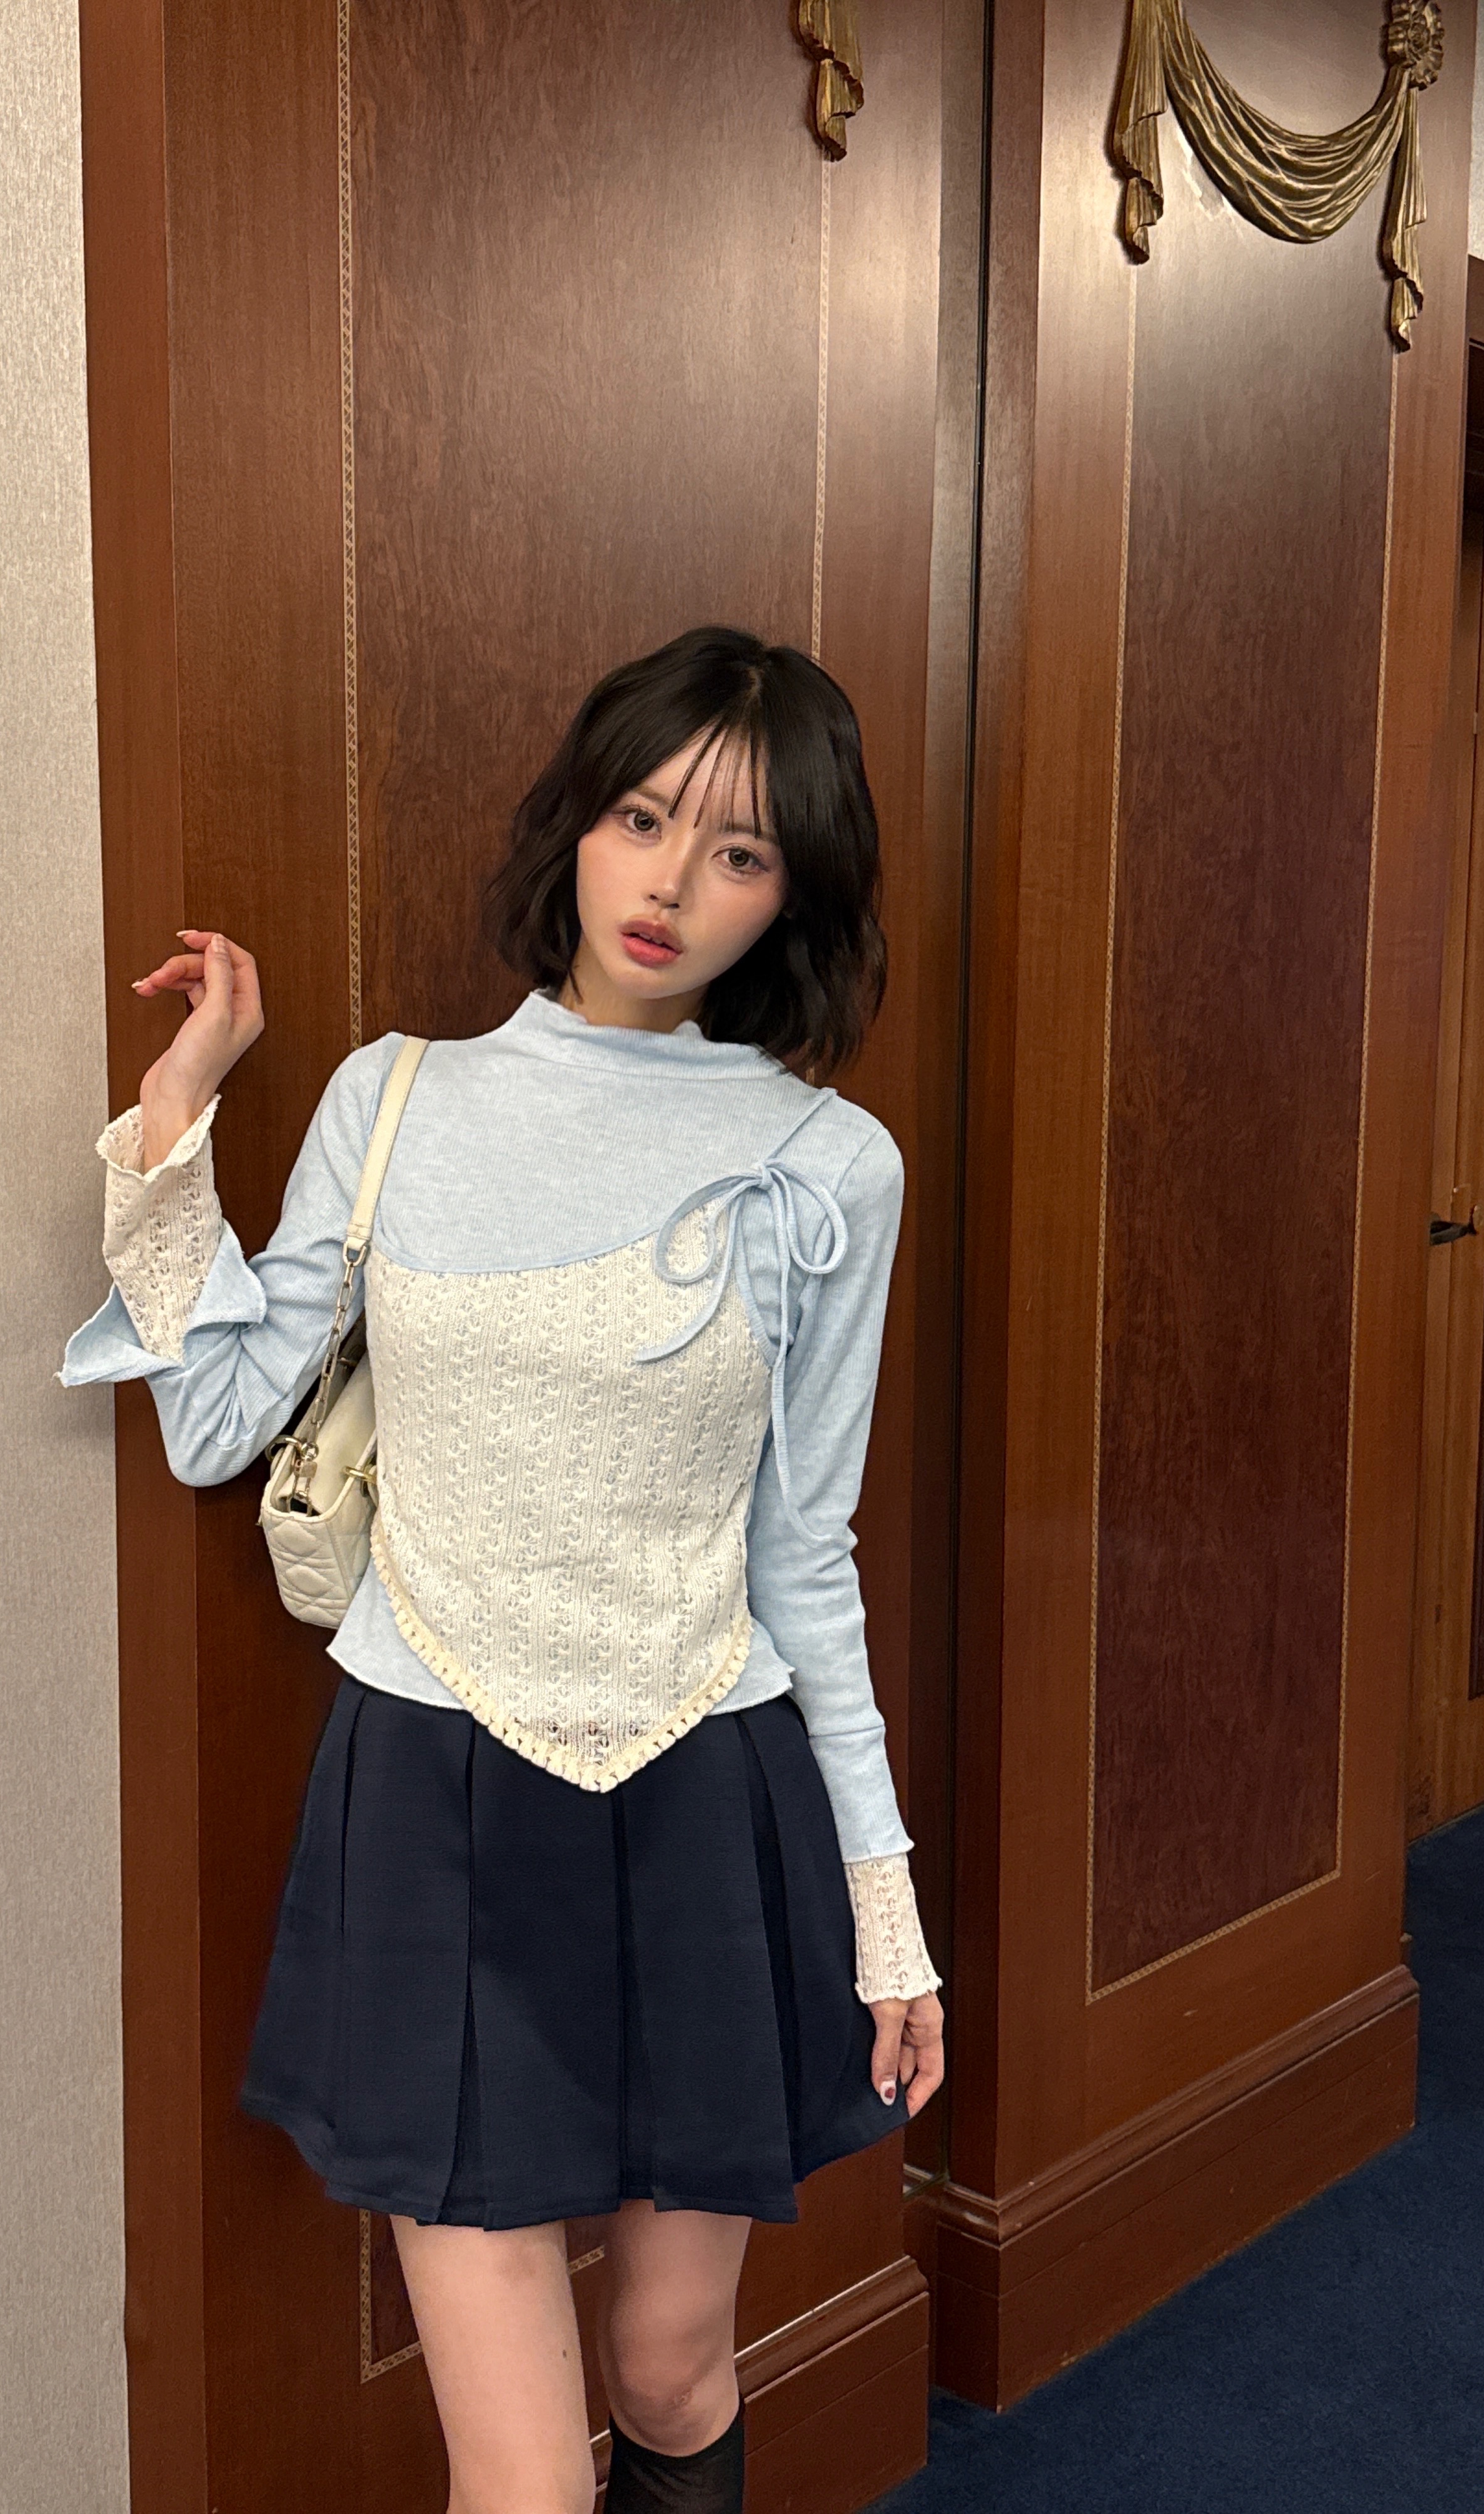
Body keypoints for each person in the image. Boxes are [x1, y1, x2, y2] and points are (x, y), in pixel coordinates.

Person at [60, 625, 946, 2513]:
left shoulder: (825, 1166)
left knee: (673, 2369)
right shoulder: (397, 1101)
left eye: (740, 850)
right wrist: (179, 1114)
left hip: (706, 1787)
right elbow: (219, 1422)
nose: (673, 882)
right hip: (437, 1796)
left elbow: (807, 1551)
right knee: (527, 2480)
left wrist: (886, 1907)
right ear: (579, 821)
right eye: (645, 818)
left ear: (792, 894)